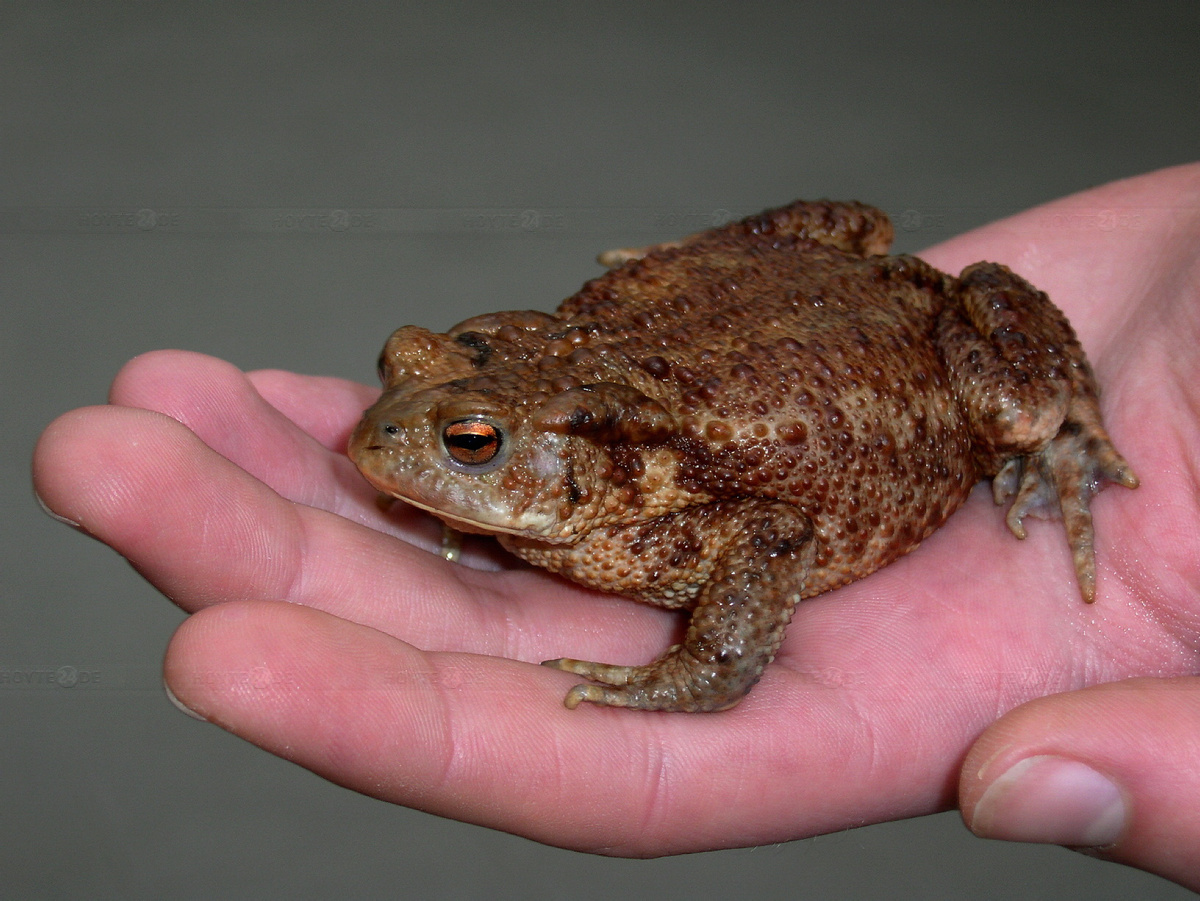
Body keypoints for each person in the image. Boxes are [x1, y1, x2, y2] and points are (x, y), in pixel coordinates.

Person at [32, 164, 1200, 888]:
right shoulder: (572, 427)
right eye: (408, 377)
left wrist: (705, 668)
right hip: (729, 321)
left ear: (579, 469)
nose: (393, 428)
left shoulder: (657, 513)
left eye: (471, 444)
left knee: (1012, 405)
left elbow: (777, 536)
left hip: (887, 365)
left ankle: (1065, 423)